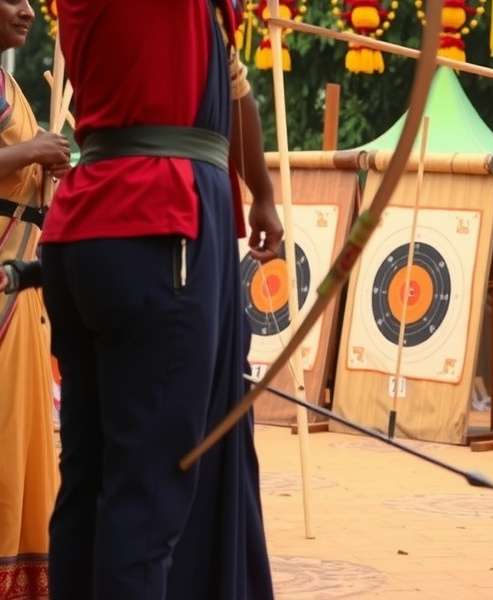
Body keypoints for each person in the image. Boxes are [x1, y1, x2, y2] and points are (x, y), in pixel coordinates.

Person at [40, 2, 283, 599]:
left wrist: (262, 193)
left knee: (91, 483)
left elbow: (232, 88)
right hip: (155, 224)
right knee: (143, 499)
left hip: (91, 228)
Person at [0, 1, 68, 596]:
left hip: (19, 290)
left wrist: (49, 167)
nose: (28, 11)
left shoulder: (11, 87)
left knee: (19, 443)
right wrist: (31, 153)